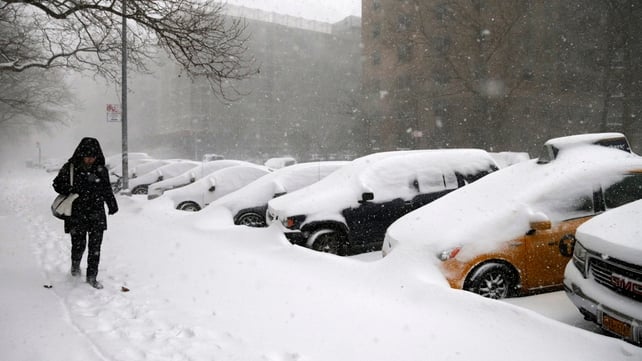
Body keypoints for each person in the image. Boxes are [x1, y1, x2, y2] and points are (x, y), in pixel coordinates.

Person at [53, 137, 118, 289]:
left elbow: (106, 188)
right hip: (77, 213)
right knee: (78, 244)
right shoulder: (70, 168)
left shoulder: (101, 170)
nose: (90, 159)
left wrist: (112, 204)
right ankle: (75, 266)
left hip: (97, 212)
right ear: (81, 154)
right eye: (87, 156)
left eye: (93, 156)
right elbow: (57, 184)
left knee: (95, 247)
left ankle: (92, 277)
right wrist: (74, 188)